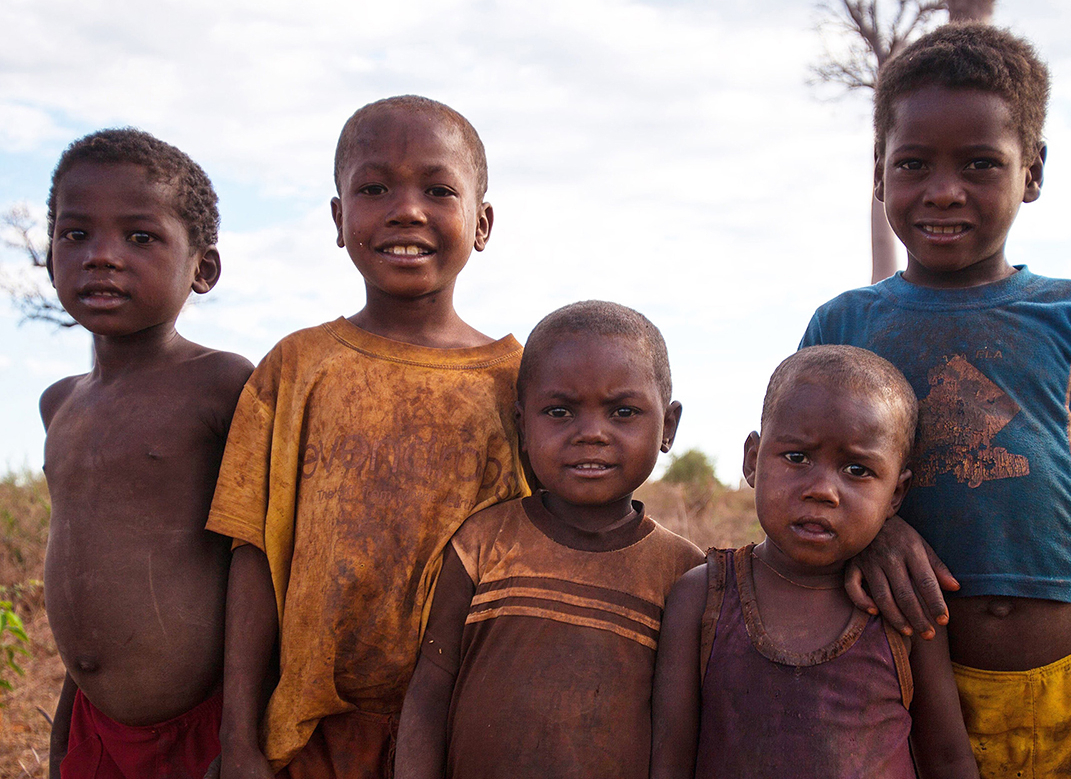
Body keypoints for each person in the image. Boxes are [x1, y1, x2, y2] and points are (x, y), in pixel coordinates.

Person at [801, 23, 1071, 778]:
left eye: (981, 164)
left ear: (1033, 172)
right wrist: (871, 533)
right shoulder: (843, 326)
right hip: (920, 701)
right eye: (913, 164)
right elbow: (801, 482)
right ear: (879, 175)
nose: (944, 190)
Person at [207, 96, 528, 779]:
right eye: (374, 188)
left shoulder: (522, 383)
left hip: (464, 732)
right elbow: (253, 559)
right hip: (314, 735)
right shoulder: (295, 369)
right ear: (337, 217)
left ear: (482, 222)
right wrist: (238, 737)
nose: (405, 210)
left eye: (438, 189)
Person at [394, 300, 704, 779]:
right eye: (559, 411)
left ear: (669, 426)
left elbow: (675, 735)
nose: (592, 434)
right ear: (522, 425)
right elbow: (430, 692)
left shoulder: (685, 574)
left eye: (623, 412)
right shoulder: (480, 543)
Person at [650, 346, 977, 779]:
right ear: (752, 460)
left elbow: (949, 759)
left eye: (858, 469)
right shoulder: (702, 597)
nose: (822, 489)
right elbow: (670, 759)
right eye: (797, 458)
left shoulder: (902, 608)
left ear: (896, 494)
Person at [40, 128, 254, 779]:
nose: (101, 257)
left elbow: (260, 564)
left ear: (203, 268)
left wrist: (241, 733)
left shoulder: (223, 386)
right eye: (75, 234)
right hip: (95, 728)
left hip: (200, 730)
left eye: (139, 237)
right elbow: (88, 577)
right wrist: (67, 723)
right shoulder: (61, 404)